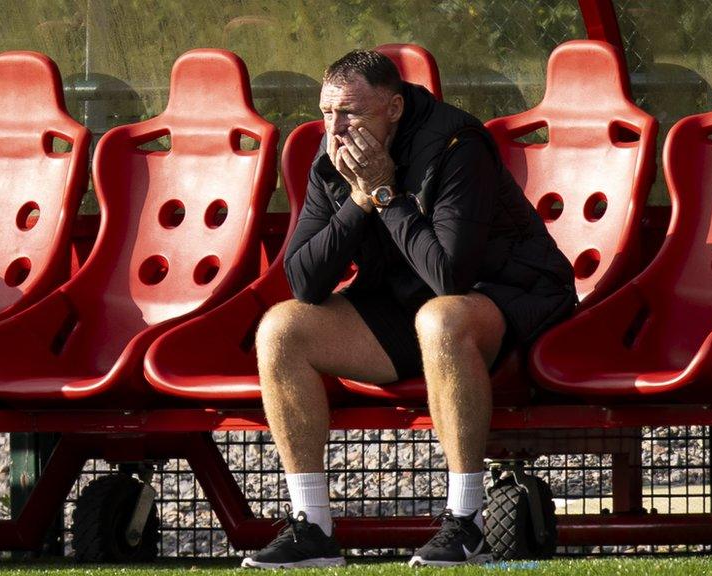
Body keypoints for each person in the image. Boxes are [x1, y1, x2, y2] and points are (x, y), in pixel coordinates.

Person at [240, 50, 577, 569]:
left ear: (394, 107)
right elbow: (304, 280)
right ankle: (313, 530)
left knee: (440, 318)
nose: (336, 127)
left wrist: (384, 190)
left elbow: (448, 276)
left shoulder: (457, 145)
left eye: (351, 112)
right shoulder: (332, 154)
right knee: (281, 328)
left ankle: (467, 524)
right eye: (327, 112)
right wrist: (359, 201)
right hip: (405, 300)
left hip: (514, 293)